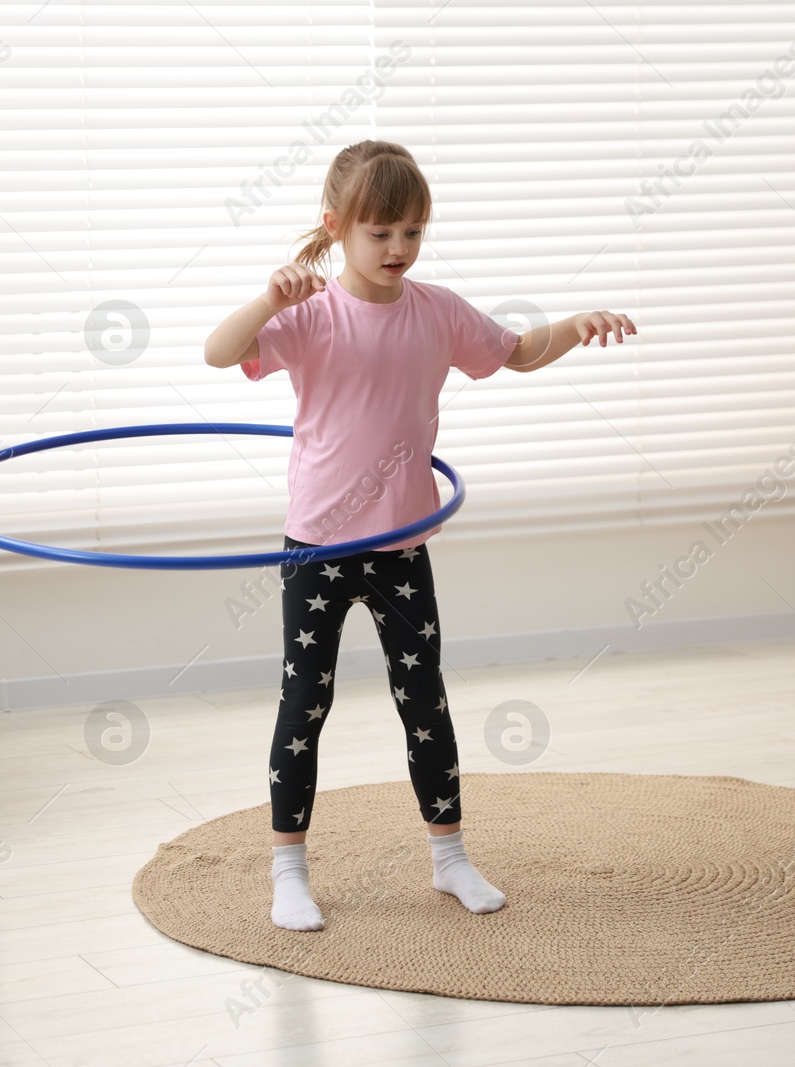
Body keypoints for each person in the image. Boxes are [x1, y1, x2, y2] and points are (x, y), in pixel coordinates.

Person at [204, 140, 637, 931]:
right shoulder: (310, 316)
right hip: (319, 548)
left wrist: (575, 324)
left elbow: (515, 354)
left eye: (412, 231)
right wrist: (269, 300)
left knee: (425, 701)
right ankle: (288, 870)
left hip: (403, 543)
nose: (398, 248)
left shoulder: (436, 310)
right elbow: (218, 352)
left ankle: (450, 857)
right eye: (380, 233)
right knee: (305, 702)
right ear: (337, 228)